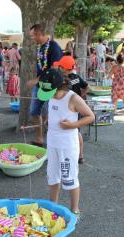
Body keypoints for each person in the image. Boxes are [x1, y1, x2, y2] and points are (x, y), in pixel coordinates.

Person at [37, 68, 94, 217]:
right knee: (53, 176)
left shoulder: (73, 98)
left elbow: (90, 116)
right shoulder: (51, 96)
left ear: (59, 86)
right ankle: (52, 206)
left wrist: (72, 125)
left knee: (69, 178)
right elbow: (55, 111)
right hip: (52, 143)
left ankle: (75, 209)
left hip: (67, 145)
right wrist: (49, 119)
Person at [27, 24, 63, 146]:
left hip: (51, 87)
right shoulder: (41, 48)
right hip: (40, 85)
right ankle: (39, 139)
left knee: (52, 114)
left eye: (33, 36)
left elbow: (55, 68)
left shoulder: (54, 46)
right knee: (34, 112)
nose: (32, 38)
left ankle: (55, 142)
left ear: (38, 34)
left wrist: (37, 80)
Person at [54, 56, 89, 164]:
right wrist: (81, 97)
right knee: (74, 130)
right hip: (75, 108)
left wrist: (80, 97)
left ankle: (80, 155)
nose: (59, 67)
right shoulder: (76, 77)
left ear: (64, 68)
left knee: (75, 131)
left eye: (60, 66)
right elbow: (87, 86)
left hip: (68, 108)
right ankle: (79, 156)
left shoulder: (62, 79)